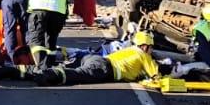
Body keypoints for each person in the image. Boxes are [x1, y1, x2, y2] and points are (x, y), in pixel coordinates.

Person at [31, 31, 161, 85]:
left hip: (96, 59)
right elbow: (157, 79)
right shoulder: (144, 55)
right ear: (146, 46)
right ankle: (48, 75)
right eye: (151, 47)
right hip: (105, 68)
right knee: (79, 75)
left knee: (69, 68)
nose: (152, 50)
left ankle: (20, 71)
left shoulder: (130, 50)